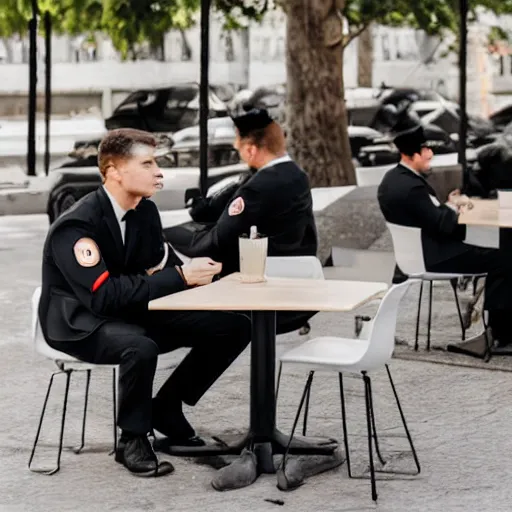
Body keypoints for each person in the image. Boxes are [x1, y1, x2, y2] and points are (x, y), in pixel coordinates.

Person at [39, 128, 252, 477]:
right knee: (139, 346)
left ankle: (166, 407)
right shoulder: (76, 225)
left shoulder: (145, 213)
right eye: (148, 163)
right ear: (114, 171)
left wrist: (213, 279)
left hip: (131, 313)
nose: (159, 172)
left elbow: (160, 269)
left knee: (232, 326)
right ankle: (133, 439)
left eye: (158, 163)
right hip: (80, 323)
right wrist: (180, 277)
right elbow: (104, 297)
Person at [165, 108, 318, 334]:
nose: (237, 149)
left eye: (238, 145)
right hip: (298, 269)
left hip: (260, 280)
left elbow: (221, 239)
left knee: (168, 240)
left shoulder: (258, 186)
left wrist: (175, 239)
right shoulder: (296, 174)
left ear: (251, 149)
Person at [377, 124, 512, 346]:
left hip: (417, 254)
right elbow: (445, 226)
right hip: (435, 256)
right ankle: (499, 333)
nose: (430, 156)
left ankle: (498, 332)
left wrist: (448, 205)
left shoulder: (392, 180)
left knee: (499, 254)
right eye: (426, 152)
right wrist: (459, 208)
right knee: (503, 259)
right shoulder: (412, 187)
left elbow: (429, 216)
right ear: (413, 155)